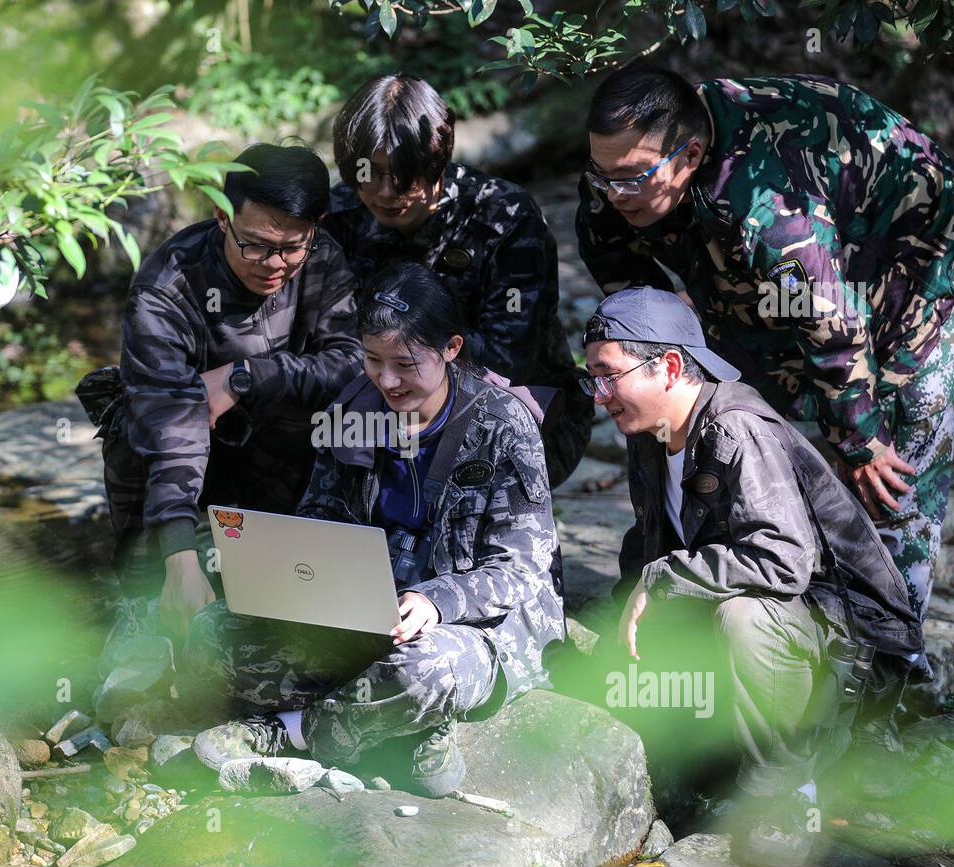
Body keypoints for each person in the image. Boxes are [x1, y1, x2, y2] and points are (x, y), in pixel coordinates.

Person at [575, 65, 954, 621]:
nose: (612, 193)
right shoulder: (622, 168)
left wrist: (859, 438)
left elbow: (831, 325)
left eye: (629, 179)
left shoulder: (766, 211)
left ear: (689, 157)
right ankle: (727, 577)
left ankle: (892, 641)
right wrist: (667, 331)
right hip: (776, 258)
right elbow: (614, 263)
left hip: (914, 248)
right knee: (725, 407)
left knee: (893, 453)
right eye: (602, 176)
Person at [180, 261, 566, 797]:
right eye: (372, 360)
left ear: (451, 349)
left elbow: (521, 569)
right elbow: (320, 519)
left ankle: (290, 731)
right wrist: (293, 579)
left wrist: (435, 602)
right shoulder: (354, 408)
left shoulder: (503, 423)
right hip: (364, 615)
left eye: (405, 364)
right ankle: (395, 728)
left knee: (423, 673)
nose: (386, 380)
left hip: (472, 626)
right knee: (211, 634)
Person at [583, 286, 923, 865]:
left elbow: (782, 560)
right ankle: (710, 761)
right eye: (592, 377)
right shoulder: (651, 432)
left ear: (668, 366)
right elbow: (648, 545)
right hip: (780, 622)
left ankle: (787, 792)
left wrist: (666, 579)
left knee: (742, 616)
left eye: (609, 375)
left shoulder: (738, 430)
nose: (599, 395)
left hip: (849, 648)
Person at [82, 142, 363, 650]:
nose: (273, 264)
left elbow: (350, 363)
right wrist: (178, 557)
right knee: (134, 426)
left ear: (315, 228)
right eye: (254, 244)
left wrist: (245, 376)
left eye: (291, 247)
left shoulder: (322, 257)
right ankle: (157, 585)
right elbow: (170, 426)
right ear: (221, 216)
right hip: (190, 457)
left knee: (362, 414)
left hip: (284, 447)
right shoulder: (167, 285)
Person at [324, 73, 592, 488]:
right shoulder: (340, 214)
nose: (384, 191)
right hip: (372, 392)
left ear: (437, 161)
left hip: (508, 407)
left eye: (402, 174)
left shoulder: (502, 216)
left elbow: (508, 358)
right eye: (368, 173)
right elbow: (324, 336)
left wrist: (411, 371)